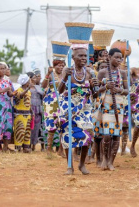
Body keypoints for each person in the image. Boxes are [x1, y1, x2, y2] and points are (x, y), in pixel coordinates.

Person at [58, 46, 98, 175]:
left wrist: (93, 86)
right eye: (80, 56)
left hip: (85, 108)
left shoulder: (89, 72)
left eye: (85, 56)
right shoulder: (67, 70)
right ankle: (70, 166)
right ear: (73, 57)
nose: (83, 58)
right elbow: (59, 90)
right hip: (69, 106)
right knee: (68, 134)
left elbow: (94, 94)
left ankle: (81, 164)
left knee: (88, 134)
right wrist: (65, 77)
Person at [96, 48, 128, 170]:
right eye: (116, 57)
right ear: (109, 57)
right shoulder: (103, 72)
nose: (119, 60)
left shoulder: (123, 73)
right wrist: (105, 87)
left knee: (116, 135)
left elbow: (127, 90)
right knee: (107, 135)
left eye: (121, 58)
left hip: (118, 106)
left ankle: (111, 162)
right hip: (105, 105)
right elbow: (95, 91)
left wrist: (119, 90)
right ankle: (104, 158)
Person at [42, 59, 64, 156]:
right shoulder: (51, 74)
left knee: (63, 125)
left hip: (62, 103)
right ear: (54, 66)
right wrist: (47, 74)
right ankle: (49, 149)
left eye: (63, 65)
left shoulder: (65, 75)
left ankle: (61, 150)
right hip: (51, 103)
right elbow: (43, 85)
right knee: (51, 127)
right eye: (59, 65)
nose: (61, 67)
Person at [0, 63, 13, 152]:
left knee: (7, 125)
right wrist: (2, 91)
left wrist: (14, 93)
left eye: (4, 69)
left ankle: (5, 148)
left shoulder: (6, 81)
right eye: (1, 68)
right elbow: (2, 91)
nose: (3, 70)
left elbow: (9, 94)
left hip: (7, 106)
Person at [13, 74, 32, 153]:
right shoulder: (18, 90)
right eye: (29, 80)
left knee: (27, 131)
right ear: (26, 82)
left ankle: (26, 147)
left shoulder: (29, 92)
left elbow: (29, 103)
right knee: (20, 130)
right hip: (19, 114)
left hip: (28, 114)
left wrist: (32, 112)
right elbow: (20, 96)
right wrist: (27, 89)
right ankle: (18, 147)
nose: (30, 81)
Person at [27, 71, 44, 151]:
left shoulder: (38, 87)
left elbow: (42, 94)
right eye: (33, 78)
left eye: (35, 78)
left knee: (36, 128)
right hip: (29, 109)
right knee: (29, 128)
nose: (35, 79)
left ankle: (34, 145)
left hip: (38, 109)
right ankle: (27, 145)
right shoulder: (25, 87)